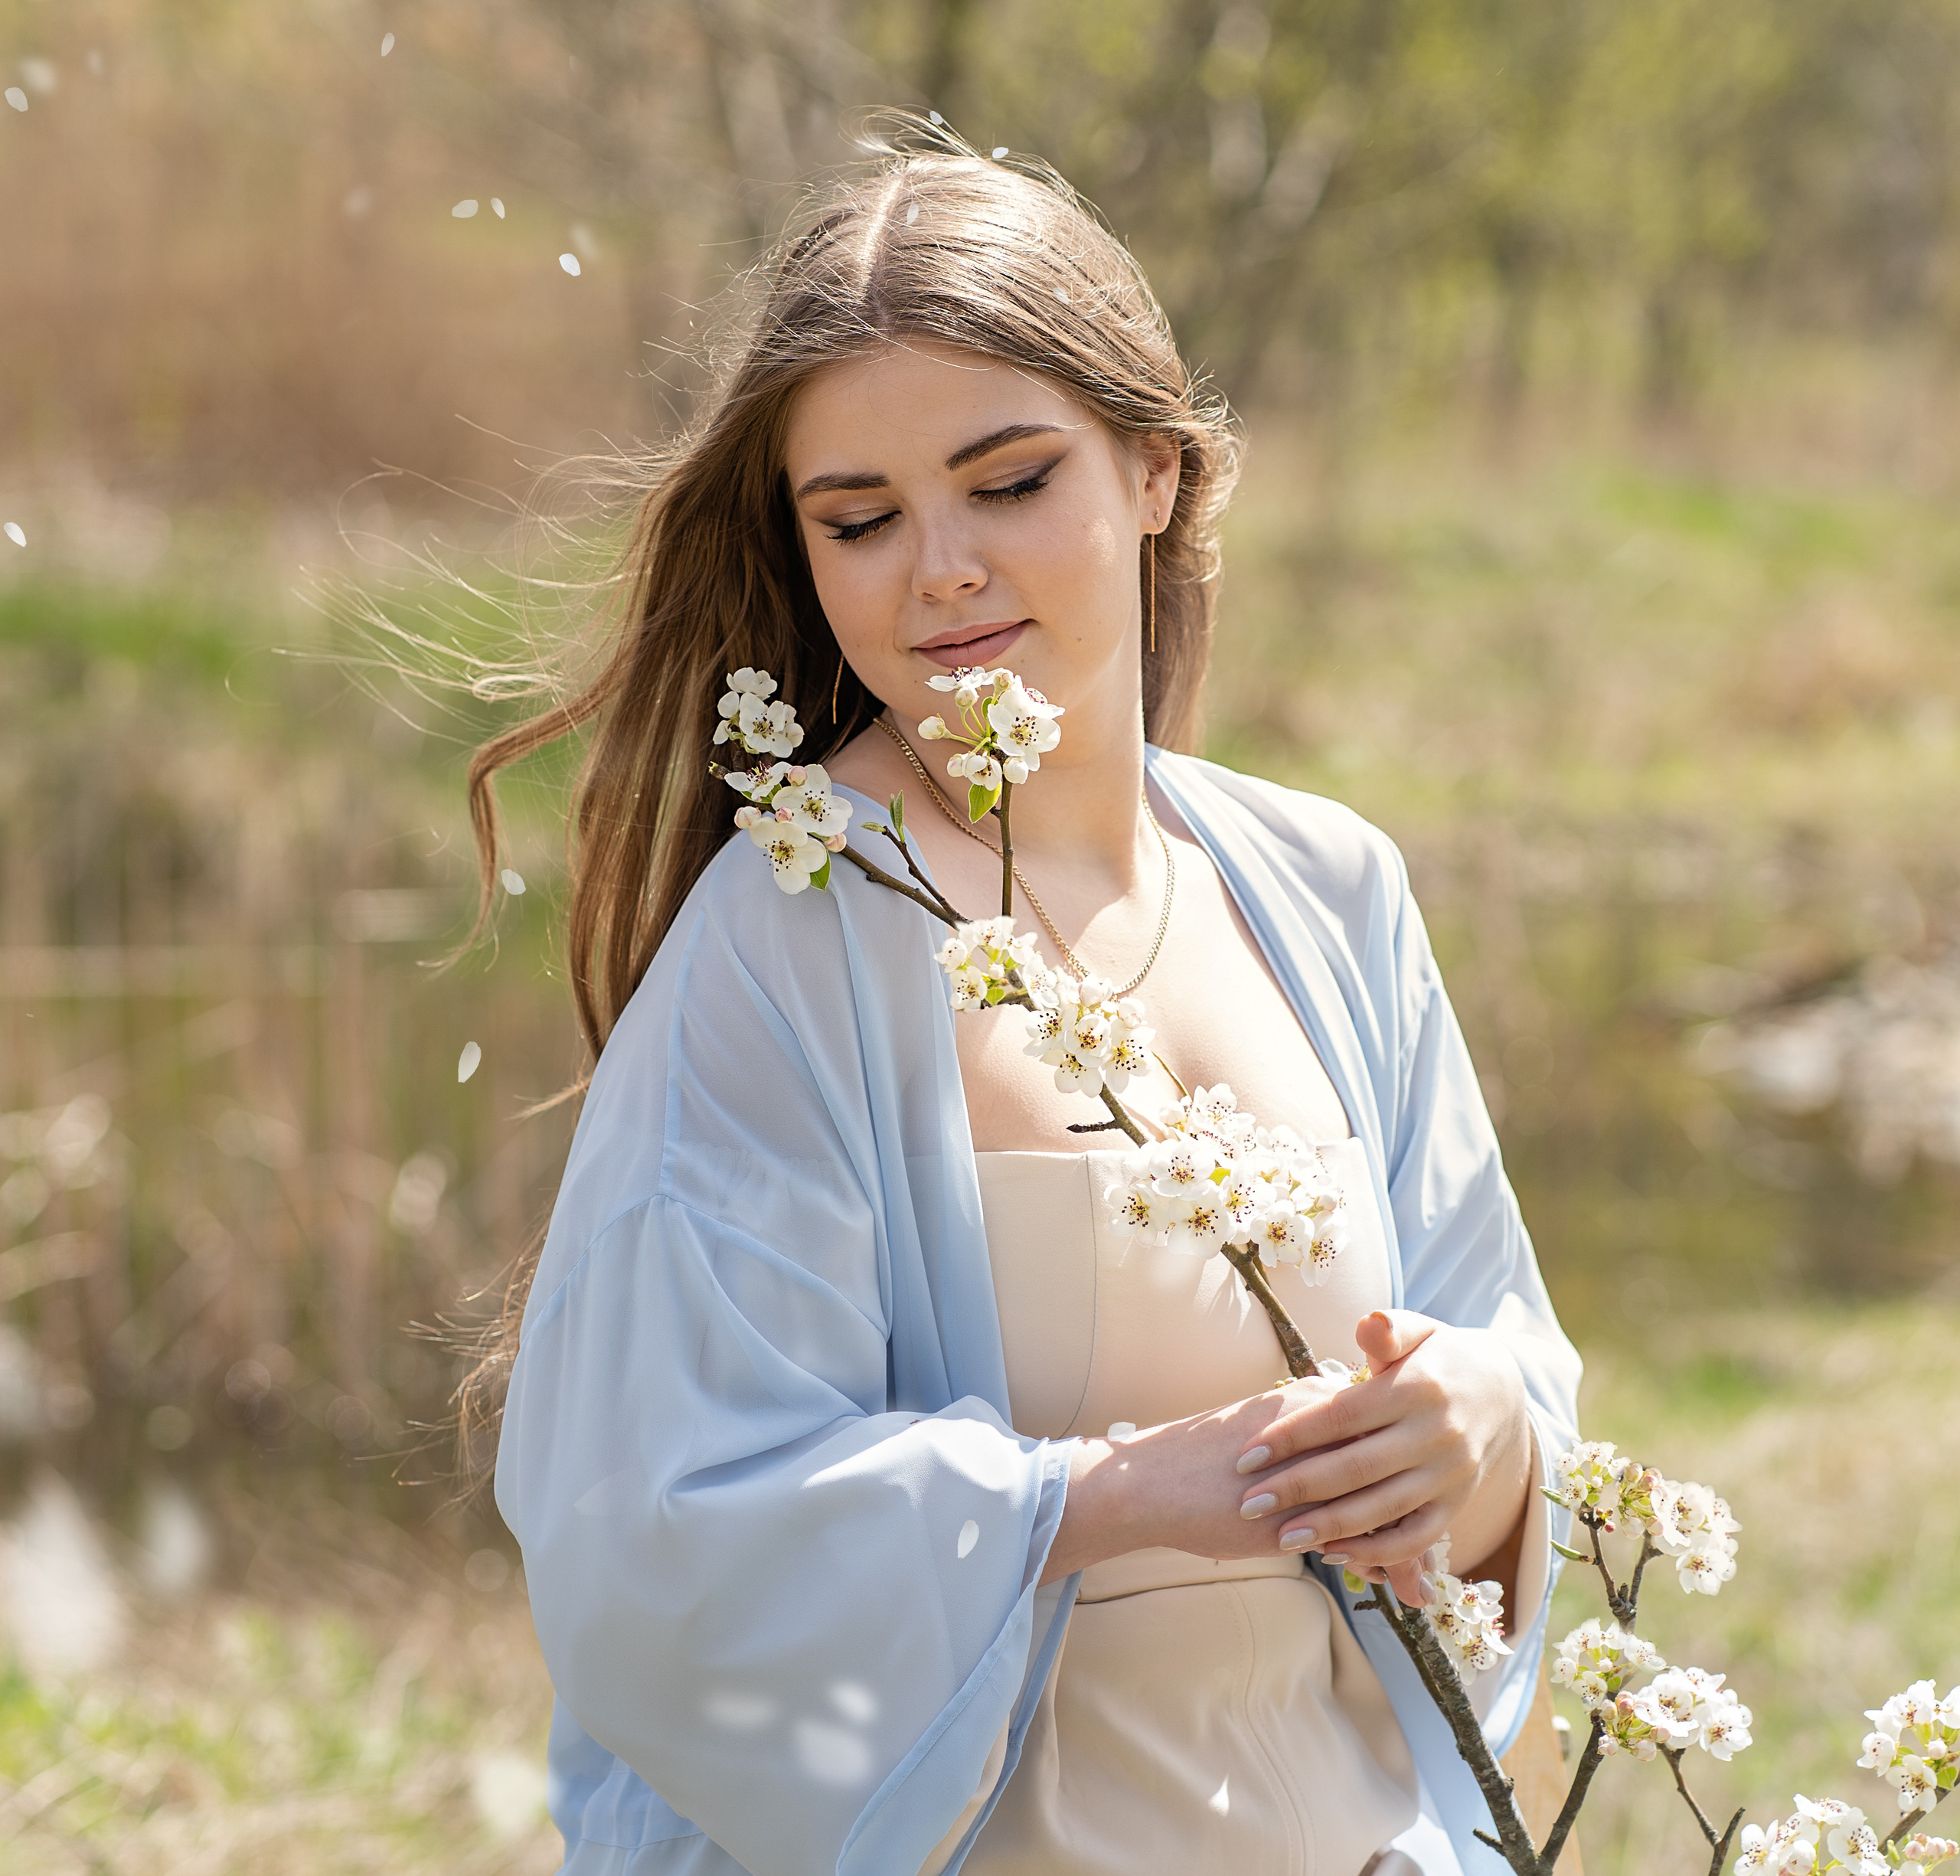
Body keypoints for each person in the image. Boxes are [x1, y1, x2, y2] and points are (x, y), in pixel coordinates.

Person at [474, 123, 1581, 1876]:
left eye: (1006, 483)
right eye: (861, 519)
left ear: (1153, 470)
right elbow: (651, 1532)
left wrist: (1484, 1427)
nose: (939, 573)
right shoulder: (786, 943)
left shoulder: (1328, 890)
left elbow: (1502, 1341)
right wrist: (1098, 1498)